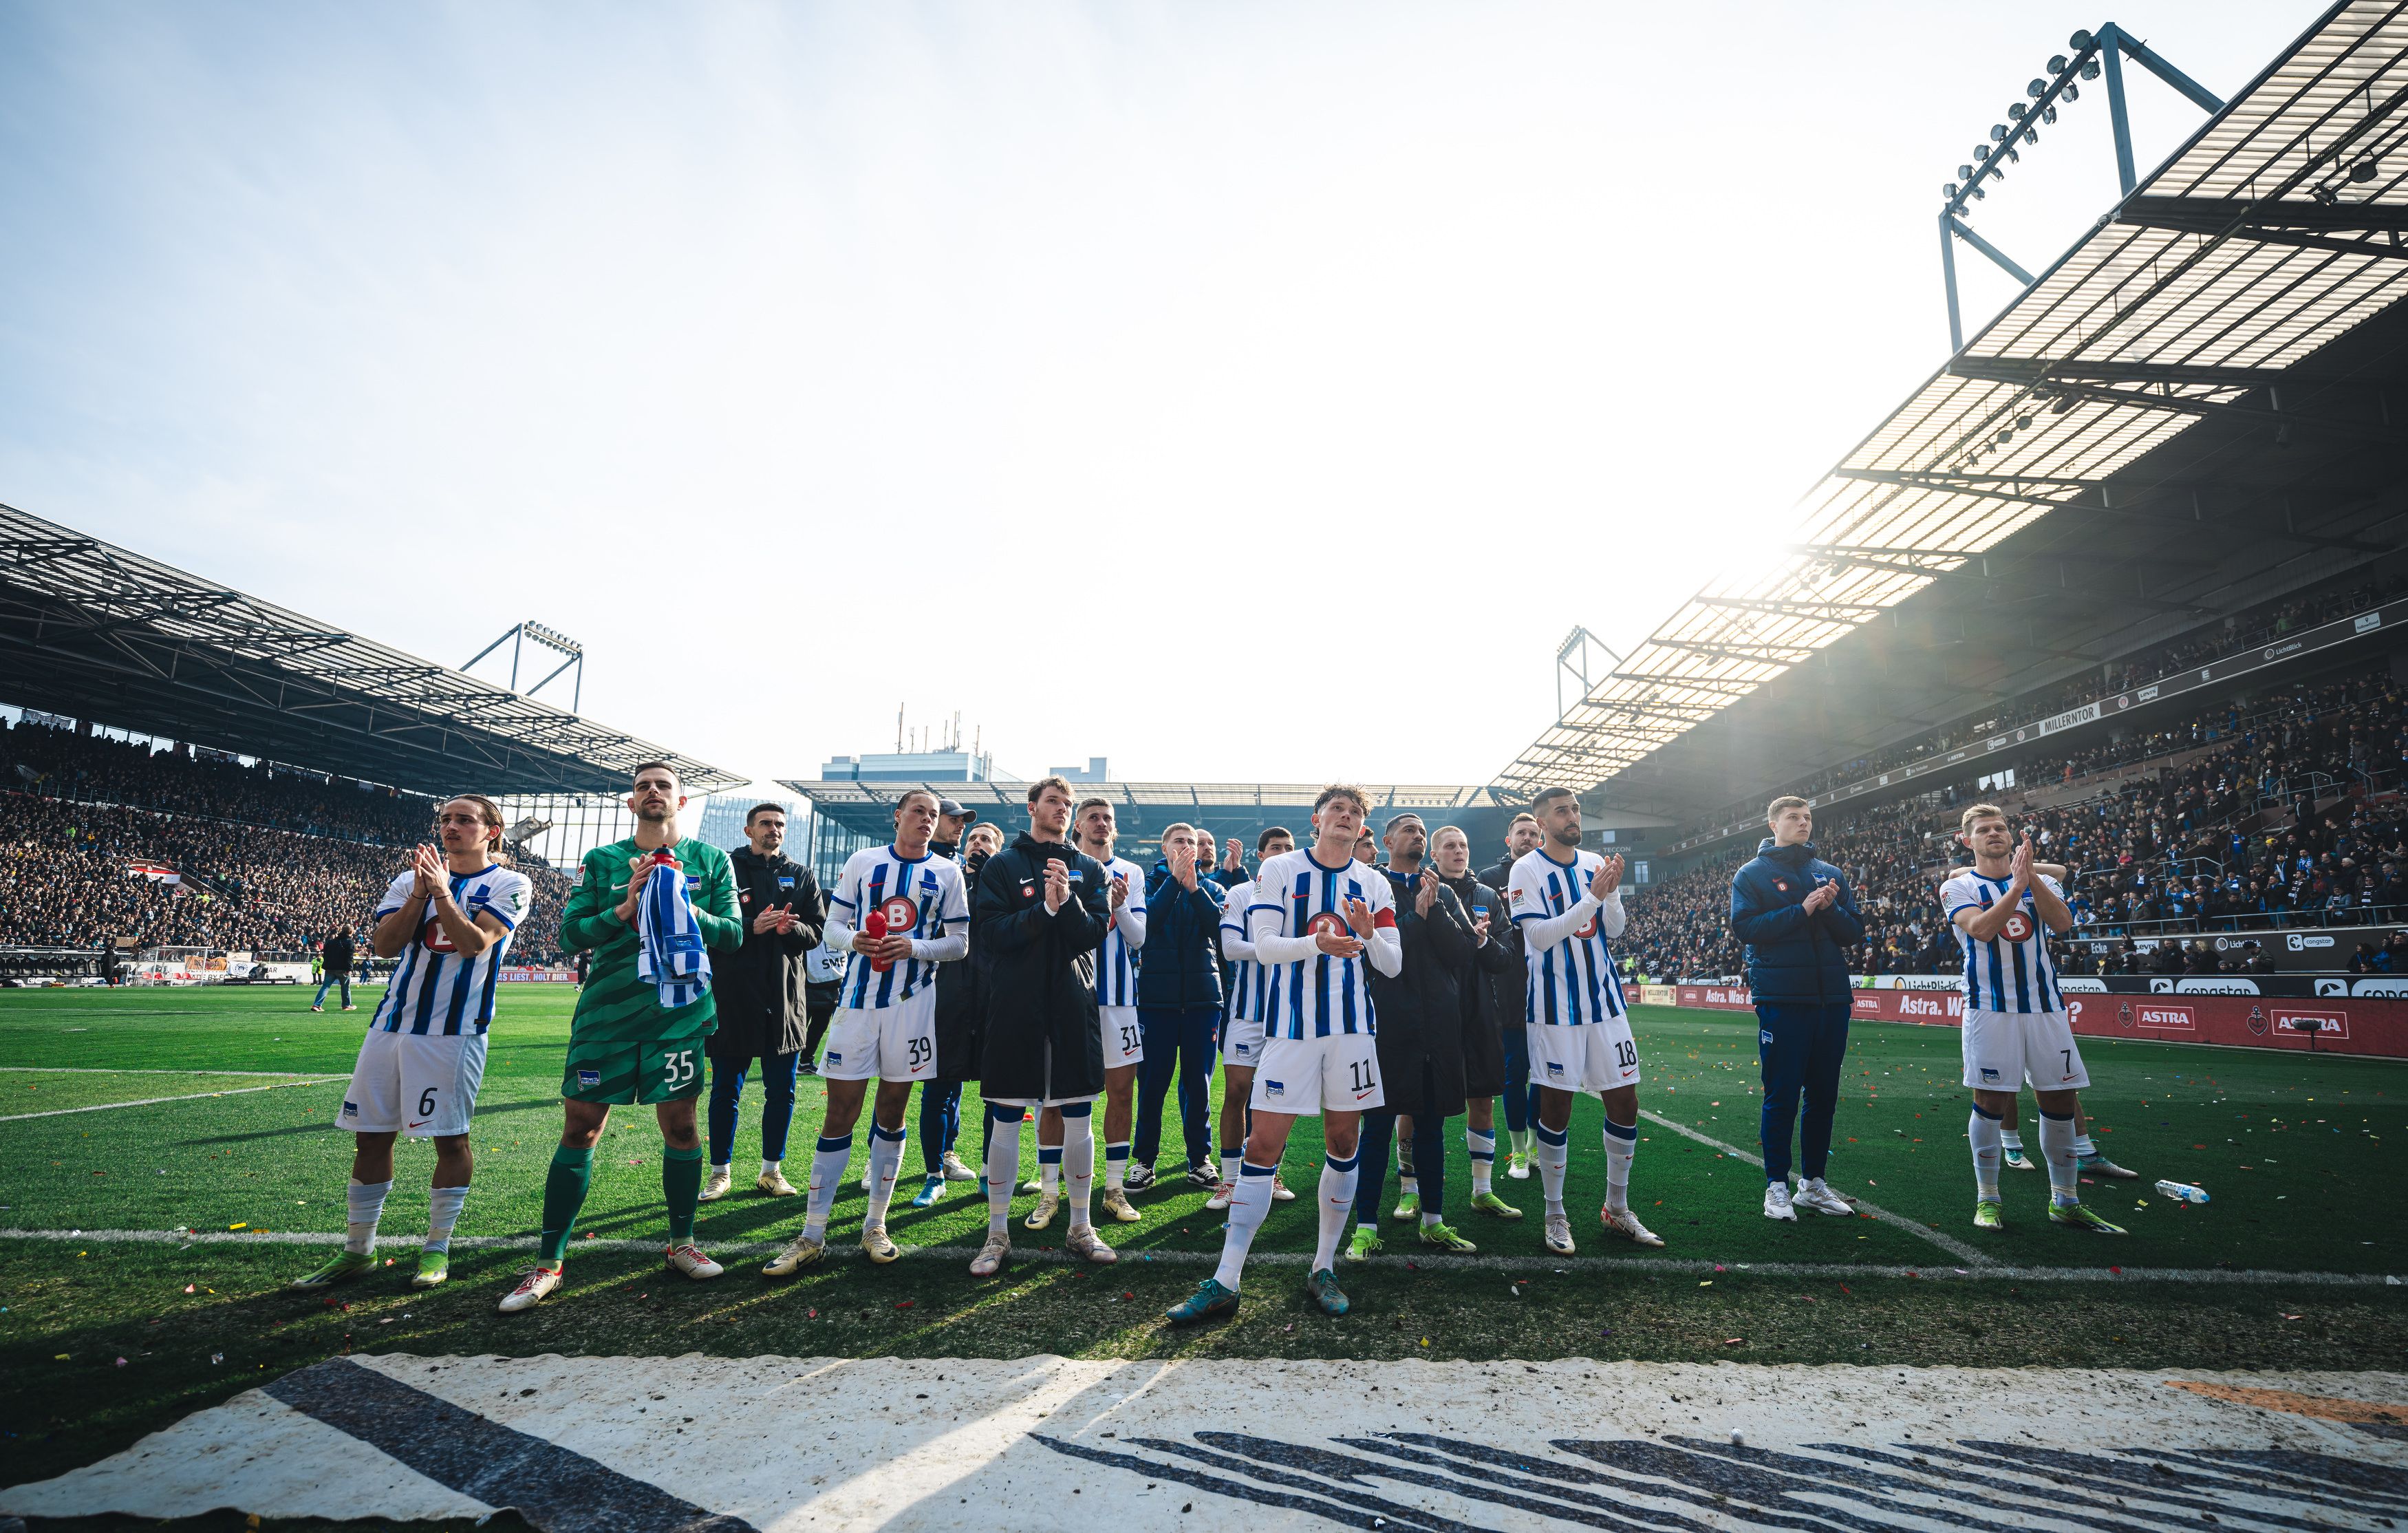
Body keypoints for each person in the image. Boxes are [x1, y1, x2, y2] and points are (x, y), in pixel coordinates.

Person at [500, 764, 743, 1312]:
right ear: (631, 804)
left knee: (681, 1127)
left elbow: (732, 935)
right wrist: (625, 908)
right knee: (581, 1129)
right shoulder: (602, 861)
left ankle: (683, 1245)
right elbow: (570, 935)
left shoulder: (711, 861)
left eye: (663, 786)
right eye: (642, 787)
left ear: (681, 800)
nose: (653, 792)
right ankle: (548, 1262)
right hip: (605, 1019)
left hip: (676, 1018)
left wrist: (683, 902)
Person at [1169, 784, 1400, 1325]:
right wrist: (1314, 945)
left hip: (1353, 1031)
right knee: (1263, 1143)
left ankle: (1323, 1267)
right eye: (1336, 810)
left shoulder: (1374, 881)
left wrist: (1370, 936)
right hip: (1291, 1031)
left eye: (1355, 812)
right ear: (1317, 820)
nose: (1345, 817)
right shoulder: (1280, 871)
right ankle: (1226, 1279)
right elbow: (1266, 946)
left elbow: (1392, 966)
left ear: (1362, 827)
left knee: (1345, 1140)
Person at [290, 795, 532, 1294]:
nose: (451, 827)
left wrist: (442, 893)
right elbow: (383, 946)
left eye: (465, 820)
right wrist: (422, 893)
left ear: (491, 831)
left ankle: (436, 1248)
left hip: (452, 1031)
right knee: (372, 1136)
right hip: (390, 1026)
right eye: (445, 820)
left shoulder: (511, 883)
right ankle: (358, 1251)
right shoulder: (407, 882)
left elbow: (473, 945)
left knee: (449, 1139)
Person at [764, 789, 969, 1274]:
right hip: (856, 1005)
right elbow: (832, 927)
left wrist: (915, 949)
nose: (926, 819)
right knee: (840, 1113)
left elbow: (960, 943)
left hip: (913, 1007)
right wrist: (853, 939)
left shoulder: (947, 872)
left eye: (933, 815)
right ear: (897, 816)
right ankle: (813, 1233)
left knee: (892, 1111)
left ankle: (875, 1225)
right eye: (918, 811)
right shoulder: (863, 861)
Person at [1946, 804, 2122, 1234]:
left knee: (2059, 1100)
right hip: (1990, 1008)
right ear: (1968, 841)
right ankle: (1988, 1199)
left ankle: (2065, 1200)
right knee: (1990, 1102)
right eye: (1984, 830)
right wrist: (2016, 887)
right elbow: (1983, 929)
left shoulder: (2042, 882)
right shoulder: (1958, 887)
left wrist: (2028, 881)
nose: (1995, 834)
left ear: (2011, 836)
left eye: (2001, 828)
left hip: (2046, 1007)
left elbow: (2062, 923)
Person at [968, 776, 1120, 1274]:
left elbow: (1094, 933)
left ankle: (1081, 1226)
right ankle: (996, 1234)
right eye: (1053, 801)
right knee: (1008, 1117)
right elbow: (990, 934)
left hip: (1073, 1005)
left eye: (1067, 804)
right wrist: (1044, 909)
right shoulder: (1002, 865)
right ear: (1032, 807)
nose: (1061, 810)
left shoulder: (1090, 869)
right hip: (1015, 1006)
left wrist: (1067, 904)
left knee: (1078, 1112)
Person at [1511, 785, 1662, 1256]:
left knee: (1625, 1101)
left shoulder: (1595, 862)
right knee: (1555, 1109)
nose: (1572, 817)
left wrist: (1609, 897)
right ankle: (1555, 1212)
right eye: (1562, 811)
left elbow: (1613, 929)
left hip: (1605, 1005)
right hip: (1554, 1009)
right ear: (1542, 823)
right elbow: (1538, 936)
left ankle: (1616, 1207)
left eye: (1575, 809)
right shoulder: (1527, 868)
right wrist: (1593, 899)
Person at [1347, 813, 1480, 1261]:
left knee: (1431, 1129)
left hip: (1437, 1027)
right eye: (1410, 831)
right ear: (1387, 841)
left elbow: (1463, 954)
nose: (1418, 837)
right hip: (1388, 1026)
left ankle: (1434, 1222)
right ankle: (1365, 1226)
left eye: (1423, 832)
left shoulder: (1439, 889)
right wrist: (1418, 916)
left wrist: (1435, 908)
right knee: (1378, 1129)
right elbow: (1376, 952)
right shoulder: (1371, 887)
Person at [1728, 796, 1862, 1223]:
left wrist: (1831, 907)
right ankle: (1776, 1186)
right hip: (1783, 998)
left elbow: (1853, 933)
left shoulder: (1831, 874)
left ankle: (1814, 1185)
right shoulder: (1752, 874)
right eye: (1794, 818)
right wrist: (1801, 909)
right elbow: (1745, 929)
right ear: (1773, 824)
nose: (1803, 823)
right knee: (1782, 1094)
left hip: (1832, 999)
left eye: (1807, 818)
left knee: (1823, 1095)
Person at [1024, 798, 1148, 1228]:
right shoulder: (1058, 866)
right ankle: (1049, 1191)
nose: (1101, 824)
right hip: (1065, 996)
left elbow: (1138, 938)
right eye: (1093, 817)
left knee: (1120, 1092)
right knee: (1054, 1096)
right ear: (1077, 824)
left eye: (1107, 819)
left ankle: (1113, 1189)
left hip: (1117, 1001)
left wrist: (1117, 906)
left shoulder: (1130, 872)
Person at [701, 804, 824, 1203]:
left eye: (780, 825)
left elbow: (817, 932)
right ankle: (720, 1173)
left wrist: (792, 928)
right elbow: (707, 928)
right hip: (733, 995)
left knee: (782, 1091)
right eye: (767, 824)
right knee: (724, 1089)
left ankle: (772, 1170)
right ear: (748, 829)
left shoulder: (802, 874)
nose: (775, 830)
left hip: (784, 998)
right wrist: (749, 929)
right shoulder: (725, 869)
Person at [1430, 824, 1523, 1221]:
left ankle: (1482, 1190)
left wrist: (1483, 941)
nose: (1458, 851)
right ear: (1435, 855)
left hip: (1483, 1009)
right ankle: (1410, 1189)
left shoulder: (1487, 897)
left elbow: (1506, 957)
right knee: (1419, 1105)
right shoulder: (1423, 890)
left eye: (1463, 845)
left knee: (1483, 1098)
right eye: (1449, 846)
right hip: (1433, 1011)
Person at [1205, 826, 1298, 1211]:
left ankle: (1270, 1172)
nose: (1281, 853)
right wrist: (1276, 948)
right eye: (1274, 848)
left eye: (1288, 848)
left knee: (1277, 1098)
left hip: (1291, 1013)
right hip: (1247, 1013)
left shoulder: (1299, 895)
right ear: (1260, 856)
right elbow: (1228, 949)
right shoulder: (1240, 894)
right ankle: (1229, 1182)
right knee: (1237, 1093)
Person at [912, 821, 1002, 1207]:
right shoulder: (948, 880)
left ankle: (988, 1171)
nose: (977, 844)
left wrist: (987, 878)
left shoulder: (1003, 885)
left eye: (987, 840)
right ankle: (934, 1175)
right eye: (973, 839)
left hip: (994, 1000)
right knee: (937, 1089)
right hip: (946, 999)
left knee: (996, 1093)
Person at [1134, 823, 1227, 1190]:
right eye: (1180, 841)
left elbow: (1220, 933)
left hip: (1204, 999)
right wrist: (1175, 882)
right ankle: (1144, 1161)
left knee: (1199, 1085)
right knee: (1152, 1085)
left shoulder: (1213, 887)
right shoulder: (1148, 884)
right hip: (1156, 1001)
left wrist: (1193, 888)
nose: (1188, 847)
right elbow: (1148, 927)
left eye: (1192, 841)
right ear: (1165, 846)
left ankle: (1199, 1159)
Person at [1481, 811, 1544, 1175]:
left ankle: (1536, 1147)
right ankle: (1518, 1151)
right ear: (1510, 840)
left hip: (1549, 985)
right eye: (1521, 833)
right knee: (1515, 1071)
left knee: (1545, 1073)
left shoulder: (1550, 873)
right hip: (1508, 987)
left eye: (1534, 833)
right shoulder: (1491, 880)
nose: (1528, 838)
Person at [799, 890, 843, 1075]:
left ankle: (806, 1061)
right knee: (800, 1028)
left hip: (832, 986)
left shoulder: (841, 926)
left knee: (819, 1028)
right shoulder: (813, 924)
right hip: (811, 986)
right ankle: (794, 1062)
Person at [312, 925, 358, 1013]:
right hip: (343, 968)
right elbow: (349, 957)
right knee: (345, 987)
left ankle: (317, 1005)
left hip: (330, 968)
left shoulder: (330, 942)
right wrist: (349, 968)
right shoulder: (349, 942)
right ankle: (346, 1005)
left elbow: (325, 954)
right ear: (351, 932)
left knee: (325, 986)